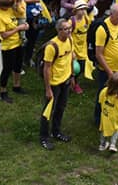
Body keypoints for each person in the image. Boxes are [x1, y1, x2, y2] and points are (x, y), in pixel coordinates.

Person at [93, 3, 118, 125]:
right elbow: (99, 54)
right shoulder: (103, 29)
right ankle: (99, 119)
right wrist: (109, 72)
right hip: (107, 70)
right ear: (112, 14)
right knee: (104, 94)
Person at [39, 18, 74, 150]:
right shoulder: (51, 46)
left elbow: (70, 57)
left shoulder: (70, 40)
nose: (69, 31)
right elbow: (46, 68)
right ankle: (44, 137)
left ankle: (56, 131)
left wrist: (72, 76)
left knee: (61, 108)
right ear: (59, 31)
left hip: (65, 80)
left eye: (69, 28)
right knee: (48, 111)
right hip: (54, 83)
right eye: (65, 29)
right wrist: (48, 89)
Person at [97, 71, 118, 152]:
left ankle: (102, 145)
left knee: (103, 129)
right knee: (115, 130)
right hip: (115, 117)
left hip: (104, 115)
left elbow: (100, 101)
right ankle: (112, 145)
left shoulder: (104, 91)